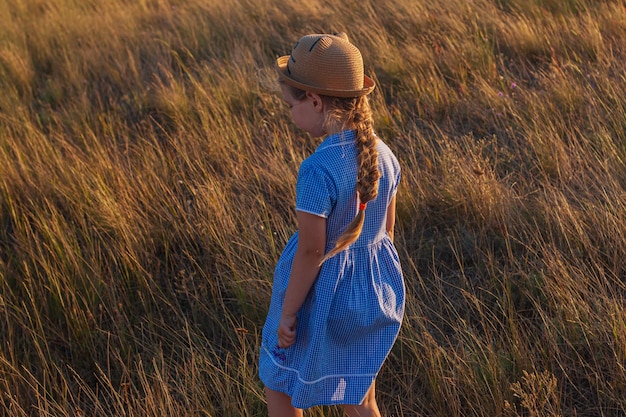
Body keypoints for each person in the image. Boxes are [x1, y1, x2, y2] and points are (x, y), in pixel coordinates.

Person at [259, 32, 404, 417]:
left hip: (319, 297)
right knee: (360, 397)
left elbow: (312, 250)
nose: (290, 113)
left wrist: (288, 313)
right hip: (371, 296)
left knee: (279, 384)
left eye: (291, 105)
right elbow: (385, 234)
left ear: (315, 101)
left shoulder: (317, 170)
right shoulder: (384, 156)